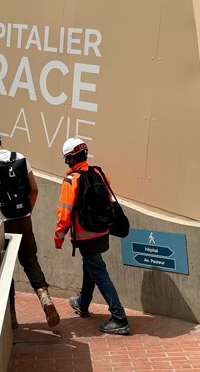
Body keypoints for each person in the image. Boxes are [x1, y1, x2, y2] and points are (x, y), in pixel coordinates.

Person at [0, 127, 60, 328]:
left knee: (5, 269)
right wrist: (27, 211)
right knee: (30, 260)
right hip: (24, 220)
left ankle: (12, 316)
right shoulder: (20, 157)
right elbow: (34, 189)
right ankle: (45, 297)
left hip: (3, 223)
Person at [54, 137, 130, 335]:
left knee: (99, 272)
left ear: (70, 159)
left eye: (67, 159)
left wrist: (58, 237)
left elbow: (64, 213)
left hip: (84, 236)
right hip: (102, 232)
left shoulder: (71, 180)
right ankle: (83, 302)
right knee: (90, 266)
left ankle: (119, 318)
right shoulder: (99, 173)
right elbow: (108, 200)